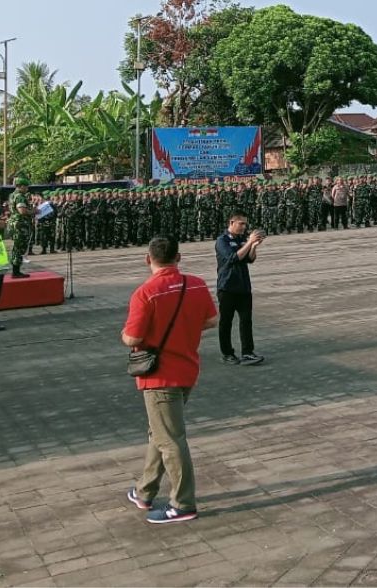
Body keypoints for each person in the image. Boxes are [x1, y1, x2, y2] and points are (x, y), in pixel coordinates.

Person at [122, 236, 218, 523]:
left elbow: (133, 338)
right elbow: (213, 320)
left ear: (147, 259)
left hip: (159, 376)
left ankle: (183, 503)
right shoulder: (196, 284)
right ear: (179, 257)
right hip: (187, 369)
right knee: (161, 432)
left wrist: (124, 336)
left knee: (171, 439)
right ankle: (145, 490)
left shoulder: (146, 292)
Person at [215, 213, 265, 366]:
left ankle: (247, 352)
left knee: (246, 321)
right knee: (226, 322)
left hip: (243, 286)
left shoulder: (241, 240)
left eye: (245, 224)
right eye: (241, 224)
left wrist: (253, 246)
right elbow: (233, 258)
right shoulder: (222, 241)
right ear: (232, 222)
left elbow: (249, 259)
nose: (244, 227)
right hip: (227, 287)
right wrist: (249, 242)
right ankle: (227, 353)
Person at [6, 178, 33, 278]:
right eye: (26, 186)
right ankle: (16, 272)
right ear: (21, 186)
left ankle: (15, 271)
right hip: (20, 225)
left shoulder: (12, 195)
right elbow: (22, 211)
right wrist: (34, 211)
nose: (27, 188)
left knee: (16, 247)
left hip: (15, 224)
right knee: (19, 247)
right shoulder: (20, 196)